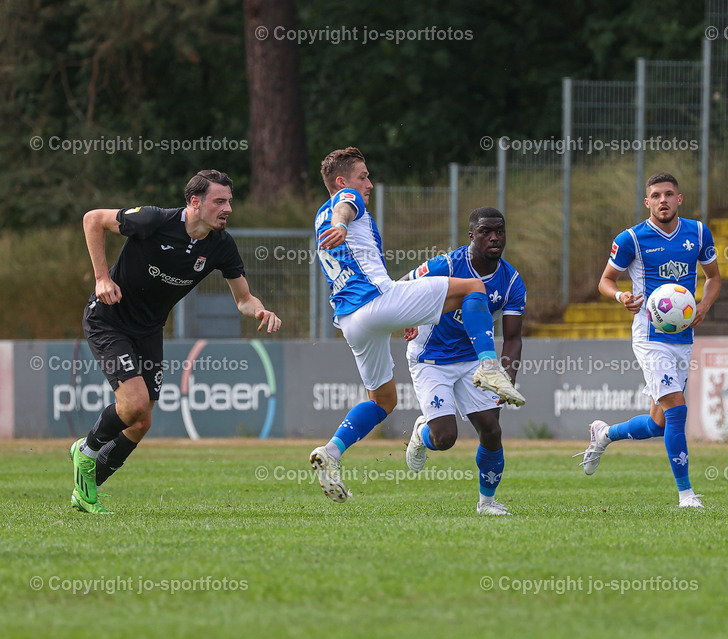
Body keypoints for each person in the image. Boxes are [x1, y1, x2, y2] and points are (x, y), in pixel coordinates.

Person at [309, 148, 525, 503]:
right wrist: (342, 222)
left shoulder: (319, 217)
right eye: (363, 176)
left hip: (351, 321)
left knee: (383, 400)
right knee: (474, 287)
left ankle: (331, 451)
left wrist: (410, 315)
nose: (369, 184)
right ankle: (489, 366)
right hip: (377, 302)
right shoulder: (345, 203)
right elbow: (345, 204)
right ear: (340, 181)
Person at [71, 170, 282, 514]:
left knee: (141, 422)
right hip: (108, 320)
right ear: (195, 202)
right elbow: (92, 219)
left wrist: (259, 311)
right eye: (220, 201)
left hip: (149, 330)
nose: (227, 208)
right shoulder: (153, 220)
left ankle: (86, 488)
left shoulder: (221, 245)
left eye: (229, 201)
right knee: (135, 404)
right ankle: (86, 451)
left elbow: (244, 298)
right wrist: (101, 278)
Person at [574, 173, 721, 509]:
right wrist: (620, 296)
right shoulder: (632, 239)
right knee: (677, 411)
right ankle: (686, 494)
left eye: (669, 194)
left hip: (683, 336)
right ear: (647, 202)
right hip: (649, 336)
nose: (663, 200)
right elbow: (605, 281)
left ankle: (604, 434)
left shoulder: (698, 233)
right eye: (656, 196)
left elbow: (713, 278)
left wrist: (704, 305)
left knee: (658, 423)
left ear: (679, 199)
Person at [402, 207, 525, 516]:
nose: (494, 237)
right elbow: (401, 286)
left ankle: (487, 503)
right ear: (472, 236)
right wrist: (407, 316)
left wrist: (505, 380)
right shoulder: (446, 264)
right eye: (486, 232)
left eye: (500, 231)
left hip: (474, 359)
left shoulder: (511, 282)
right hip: (431, 357)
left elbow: (512, 338)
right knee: (445, 438)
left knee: (492, 429)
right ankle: (422, 433)